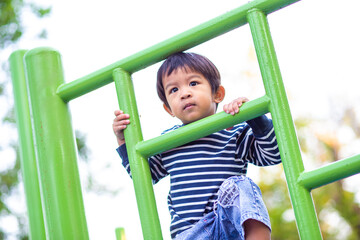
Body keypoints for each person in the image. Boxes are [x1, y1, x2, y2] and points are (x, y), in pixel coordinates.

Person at [113, 52, 281, 239]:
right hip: (191, 234)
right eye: (173, 90)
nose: (185, 93)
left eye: (193, 83)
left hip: (228, 226)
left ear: (217, 94)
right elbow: (144, 176)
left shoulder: (232, 131)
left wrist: (253, 117)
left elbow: (272, 154)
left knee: (241, 185)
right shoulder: (168, 141)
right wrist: (123, 140)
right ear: (169, 108)